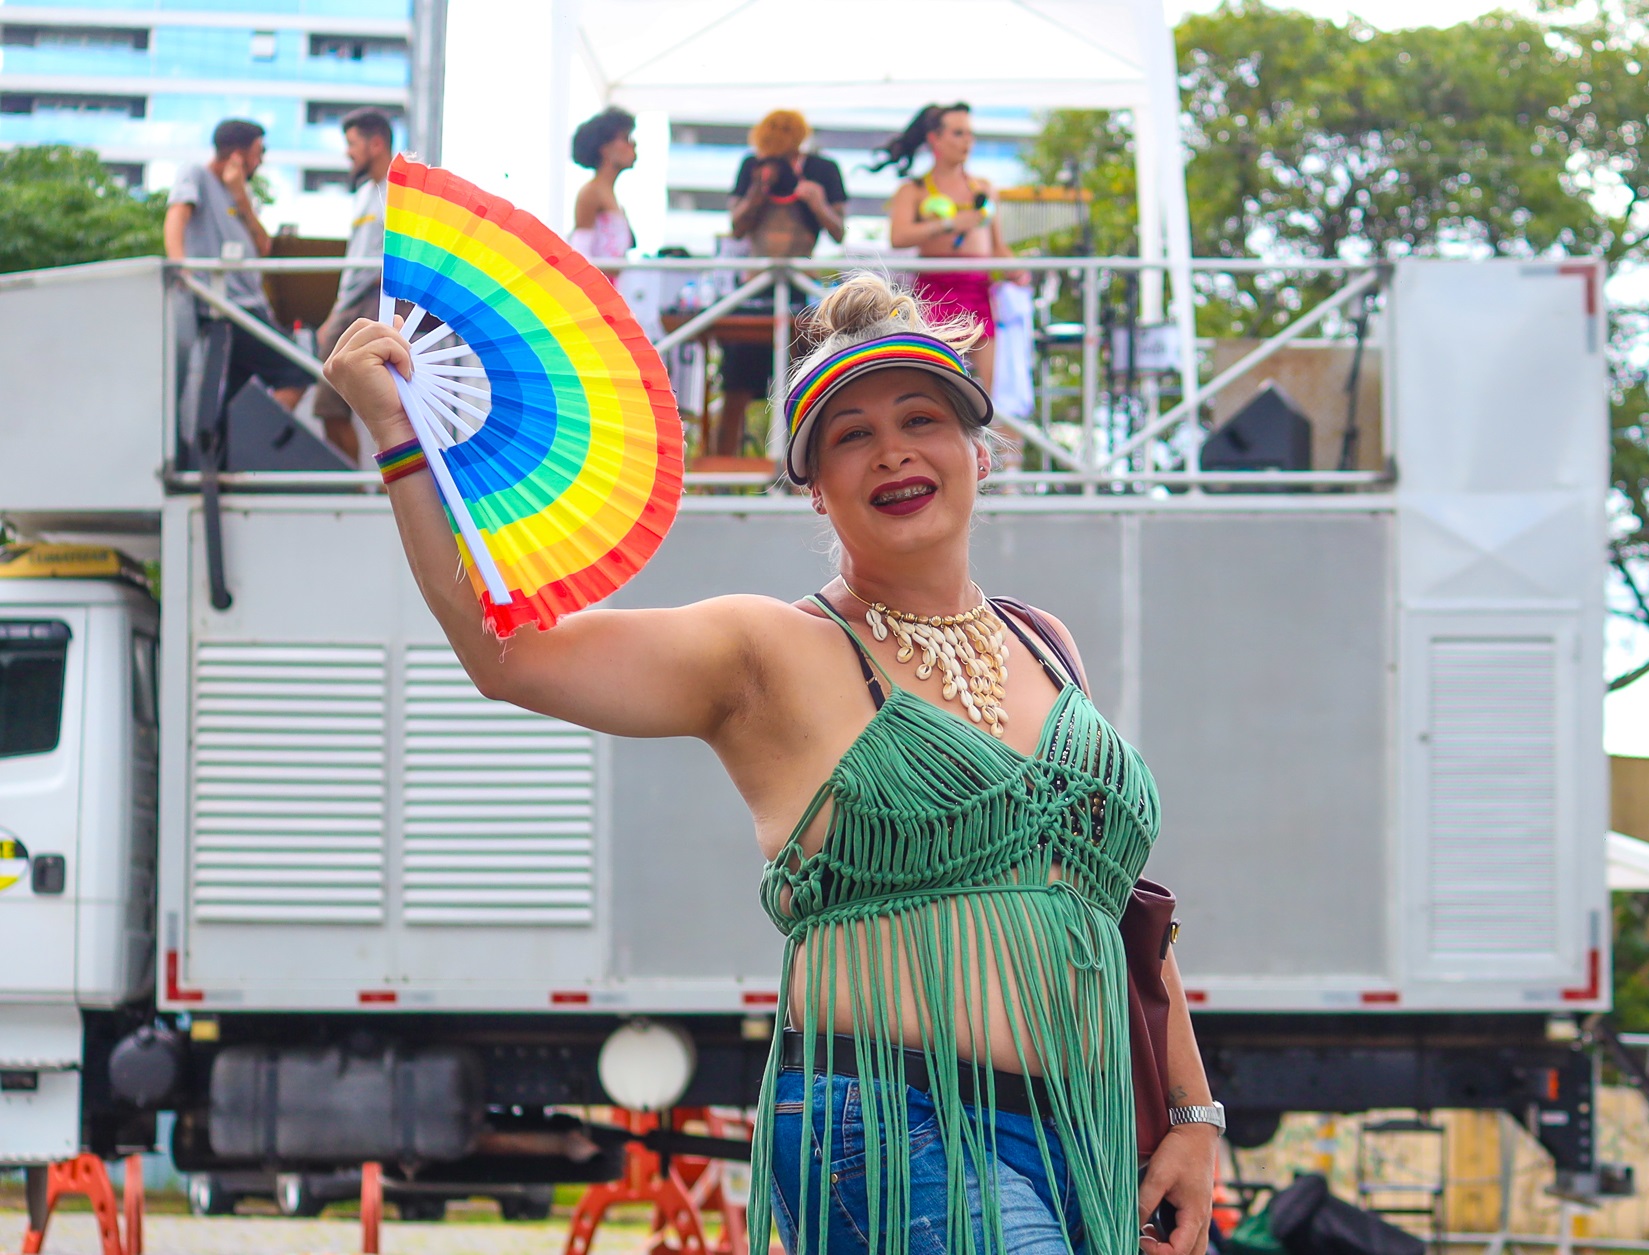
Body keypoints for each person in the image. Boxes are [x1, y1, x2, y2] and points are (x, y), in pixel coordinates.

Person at [321, 270, 1220, 1255]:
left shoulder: (1043, 641)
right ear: (817, 490)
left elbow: (1117, 909)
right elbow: (507, 657)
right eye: (850, 435)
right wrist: (400, 440)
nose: (892, 452)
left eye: (921, 418)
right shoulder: (765, 651)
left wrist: (1192, 1116)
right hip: (889, 1120)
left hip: (1082, 1129)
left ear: (978, 450)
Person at [717, 109, 848, 459]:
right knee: (736, 383)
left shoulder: (822, 169)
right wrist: (760, 188)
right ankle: (718, 473)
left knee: (806, 380)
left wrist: (816, 202)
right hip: (754, 285)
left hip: (802, 285)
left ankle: (802, 467)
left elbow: (839, 231)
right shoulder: (753, 167)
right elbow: (736, 226)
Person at [164, 118, 313, 412]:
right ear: (237, 153)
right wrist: (179, 265)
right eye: (259, 152)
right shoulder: (196, 174)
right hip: (229, 306)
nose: (261, 160)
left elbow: (264, 246)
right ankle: (261, 448)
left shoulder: (240, 194)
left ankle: (234, 454)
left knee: (234, 396)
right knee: (297, 372)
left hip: (250, 302)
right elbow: (176, 216)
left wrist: (240, 196)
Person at [876, 103, 1021, 391]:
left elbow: (998, 246)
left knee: (991, 390)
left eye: (969, 133)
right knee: (935, 385)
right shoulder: (913, 189)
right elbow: (898, 236)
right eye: (958, 133)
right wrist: (948, 224)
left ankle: (985, 438)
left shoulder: (984, 188)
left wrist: (1017, 271)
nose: (967, 141)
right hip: (935, 291)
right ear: (935, 139)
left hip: (979, 289)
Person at [313, 107, 396, 461]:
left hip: (380, 303)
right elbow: (354, 260)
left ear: (376, 144)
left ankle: (390, 490)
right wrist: (333, 315)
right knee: (328, 407)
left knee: (396, 407)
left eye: (352, 144)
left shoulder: (402, 191)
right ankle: (353, 487)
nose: (348, 152)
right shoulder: (364, 194)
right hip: (348, 306)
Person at [569, 107, 637, 273]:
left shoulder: (608, 194)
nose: (633, 144)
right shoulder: (591, 193)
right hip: (596, 292)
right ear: (605, 149)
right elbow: (580, 253)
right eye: (625, 138)